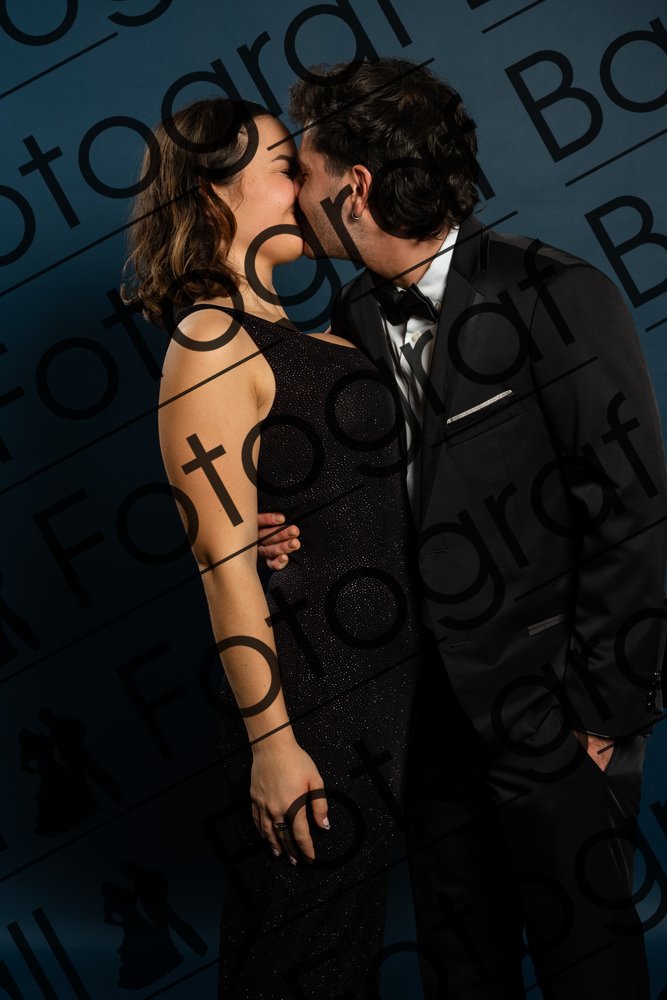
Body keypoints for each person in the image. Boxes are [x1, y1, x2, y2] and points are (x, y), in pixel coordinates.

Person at [259, 59, 667, 999]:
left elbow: (633, 508)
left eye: (304, 171)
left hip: (556, 709)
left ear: (355, 188)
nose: (293, 193)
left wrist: (600, 717)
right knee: (459, 967)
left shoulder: (556, 292)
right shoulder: (354, 311)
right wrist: (286, 535)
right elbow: (374, 495)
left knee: (590, 971)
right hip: (428, 714)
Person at [121, 96, 424, 998]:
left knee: (343, 950)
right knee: (301, 955)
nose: (308, 186)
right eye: (286, 167)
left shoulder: (311, 333)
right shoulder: (209, 341)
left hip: (381, 686)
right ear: (214, 192)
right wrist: (273, 745)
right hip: (311, 693)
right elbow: (221, 568)